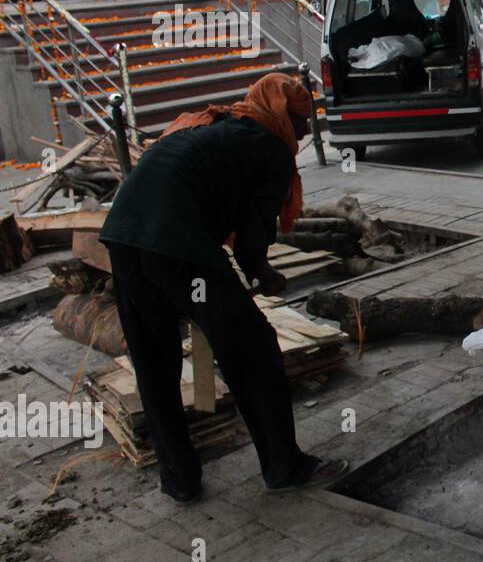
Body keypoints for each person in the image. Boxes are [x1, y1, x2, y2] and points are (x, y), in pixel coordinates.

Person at [98, 74, 348, 504]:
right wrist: (262, 273)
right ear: (281, 115)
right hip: (177, 245)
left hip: (122, 235)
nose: (305, 133)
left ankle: (179, 480)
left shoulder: (218, 123)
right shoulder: (270, 146)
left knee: (153, 361)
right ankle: (283, 465)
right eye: (301, 122)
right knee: (252, 349)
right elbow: (253, 234)